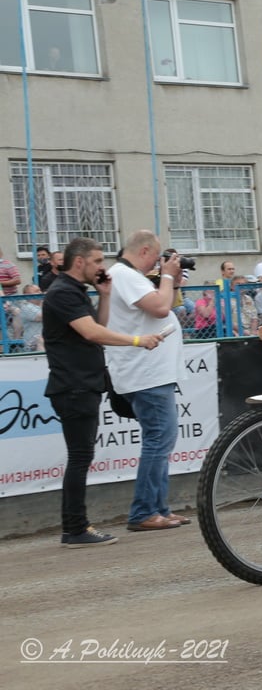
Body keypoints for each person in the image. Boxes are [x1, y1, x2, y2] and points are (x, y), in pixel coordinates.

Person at [43, 238, 165, 548]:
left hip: (82, 385)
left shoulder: (75, 290)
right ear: (79, 262)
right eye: (97, 261)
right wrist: (138, 340)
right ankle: (75, 528)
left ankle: (75, 527)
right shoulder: (62, 292)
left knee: (80, 456)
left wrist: (105, 295)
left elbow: (98, 324)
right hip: (73, 387)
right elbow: (92, 333)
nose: (102, 266)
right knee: (80, 457)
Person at [105, 230, 187, 532]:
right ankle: (144, 511)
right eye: (156, 256)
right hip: (145, 374)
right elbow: (160, 308)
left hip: (151, 373)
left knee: (162, 440)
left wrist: (171, 281)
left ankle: (158, 508)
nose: (157, 262)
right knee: (158, 440)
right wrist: (167, 275)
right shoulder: (124, 275)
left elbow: (166, 304)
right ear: (143, 252)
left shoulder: (129, 276)